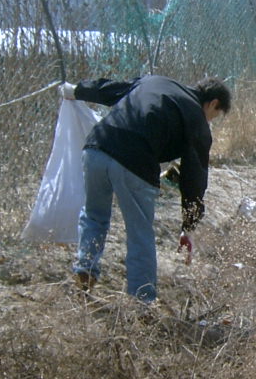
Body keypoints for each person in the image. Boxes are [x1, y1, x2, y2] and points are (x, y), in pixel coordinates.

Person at [60, 75, 231, 303]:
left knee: (94, 215)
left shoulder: (154, 81)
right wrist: (188, 226)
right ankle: (142, 301)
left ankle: (85, 267)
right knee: (139, 233)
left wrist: (77, 90)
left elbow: (109, 88)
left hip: (96, 148)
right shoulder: (197, 120)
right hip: (136, 162)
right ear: (213, 103)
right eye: (215, 116)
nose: (210, 121)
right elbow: (194, 179)